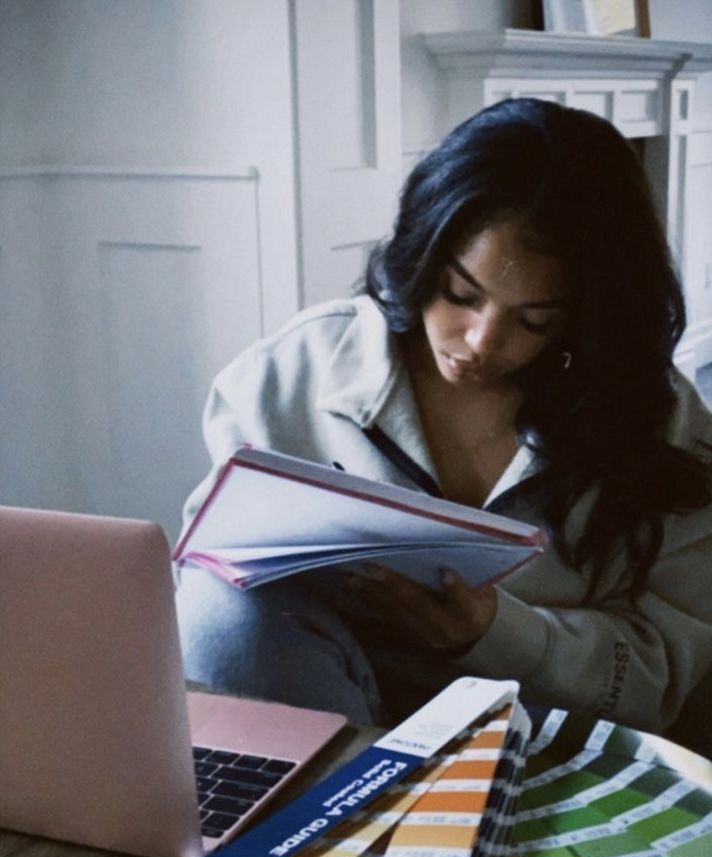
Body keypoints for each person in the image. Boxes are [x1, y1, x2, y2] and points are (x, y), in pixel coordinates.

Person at [176, 98, 712, 737]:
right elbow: (212, 570)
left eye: (534, 320)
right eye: (460, 294)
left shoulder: (659, 421)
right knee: (215, 612)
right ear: (423, 255)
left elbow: (660, 676)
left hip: (534, 724)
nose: (481, 342)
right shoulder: (294, 374)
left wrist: (498, 631)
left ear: (587, 314)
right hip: (322, 697)